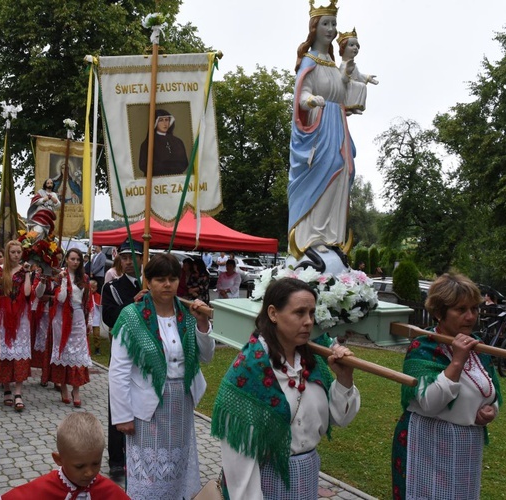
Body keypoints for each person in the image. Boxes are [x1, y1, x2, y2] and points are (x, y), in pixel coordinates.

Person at [211, 277, 360, 499]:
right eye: (299, 313)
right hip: (266, 483)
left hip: (307, 478)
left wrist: (344, 379)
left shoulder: (314, 362)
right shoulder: (249, 371)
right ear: (273, 314)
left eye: (311, 313)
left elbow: (340, 418)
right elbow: (239, 460)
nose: (309, 321)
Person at [109, 252, 215, 499]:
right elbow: (118, 369)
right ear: (148, 281)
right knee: (148, 468)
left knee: (176, 464)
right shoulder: (132, 317)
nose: (167, 285)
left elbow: (207, 356)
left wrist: (201, 325)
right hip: (147, 404)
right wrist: (122, 415)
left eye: (172, 278)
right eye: (160, 279)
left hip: (181, 400)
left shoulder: (188, 313)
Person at [391, 273, 502, 500]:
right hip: (427, 444)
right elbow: (429, 403)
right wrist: (457, 360)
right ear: (440, 313)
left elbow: (489, 391)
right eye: (460, 310)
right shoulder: (423, 347)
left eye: (474, 309)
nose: (470, 316)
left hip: (465, 447)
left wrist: (491, 410)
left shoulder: (478, 348)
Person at [287, 0, 357, 259]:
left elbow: (341, 92)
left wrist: (348, 80)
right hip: (318, 128)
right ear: (314, 28)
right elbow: (301, 93)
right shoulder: (309, 60)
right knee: (325, 171)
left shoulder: (331, 61)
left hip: (337, 124)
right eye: (326, 24)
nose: (331, 29)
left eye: (334, 24)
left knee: (343, 172)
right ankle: (312, 237)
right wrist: (310, 100)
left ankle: (332, 237)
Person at [0, 412, 128, 500]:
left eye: (96, 463)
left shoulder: (108, 491)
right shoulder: (43, 489)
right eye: (80, 466)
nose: (89, 472)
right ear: (58, 459)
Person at [101, 239, 146, 483]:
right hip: (123, 353)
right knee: (118, 405)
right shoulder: (113, 287)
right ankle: (116, 460)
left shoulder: (153, 285)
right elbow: (110, 318)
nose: (130, 262)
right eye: (125, 257)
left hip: (150, 356)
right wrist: (133, 304)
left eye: (134, 257)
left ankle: (141, 453)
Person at [0, 240, 33, 411]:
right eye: (12, 252)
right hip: (4, 316)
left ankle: (18, 392)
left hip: (21, 318)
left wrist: (27, 273)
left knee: (19, 353)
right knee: (6, 352)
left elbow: (28, 293)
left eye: (18, 252)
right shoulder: (0, 271)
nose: (15, 255)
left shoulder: (23, 271)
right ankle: (7, 388)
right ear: (8, 253)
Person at [49, 248, 92, 406]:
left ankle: (76, 389)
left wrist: (89, 320)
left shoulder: (84, 278)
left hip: (78, 316)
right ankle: (64, 387)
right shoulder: (60, 275)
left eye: (78, 260)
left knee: (78, 353)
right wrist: (63, 280)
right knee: (64, 351)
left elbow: (88, 300)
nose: (75, 262)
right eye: (72, 259)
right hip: (62, 318)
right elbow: (60, 299)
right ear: (66, 259)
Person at [337, 28, 378, 115]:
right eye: (351, 45)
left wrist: (368, 77)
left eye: (357, 46)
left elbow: (358, 75)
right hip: (346, 87)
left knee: (362, 86)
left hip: (353, 84)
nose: (355, 48)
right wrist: (347, 72)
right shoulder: (344, 64)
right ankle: (347, 106)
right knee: (358, 85)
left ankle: (354, 107)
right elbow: (341, 79)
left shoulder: (354, 65)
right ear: (343, 48)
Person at [138, 109, 189, 176]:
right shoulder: (147, 144)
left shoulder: (178, 141)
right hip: (157, 181)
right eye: (161, 120)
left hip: (176, 179)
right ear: (155, 122)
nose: (165, 123)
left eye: (166, 120)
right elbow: (144, 165)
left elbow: (184, 163)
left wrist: (166, 165)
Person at [89, 280, 103, 356]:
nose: (92, 289)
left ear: (96, 288)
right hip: (88, 318)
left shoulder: (98, 296)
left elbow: (100, 305)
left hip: (96, 319)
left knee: (96, 335)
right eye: (90, 288)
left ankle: (97, 348)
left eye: (93, 288)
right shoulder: (86, 295)